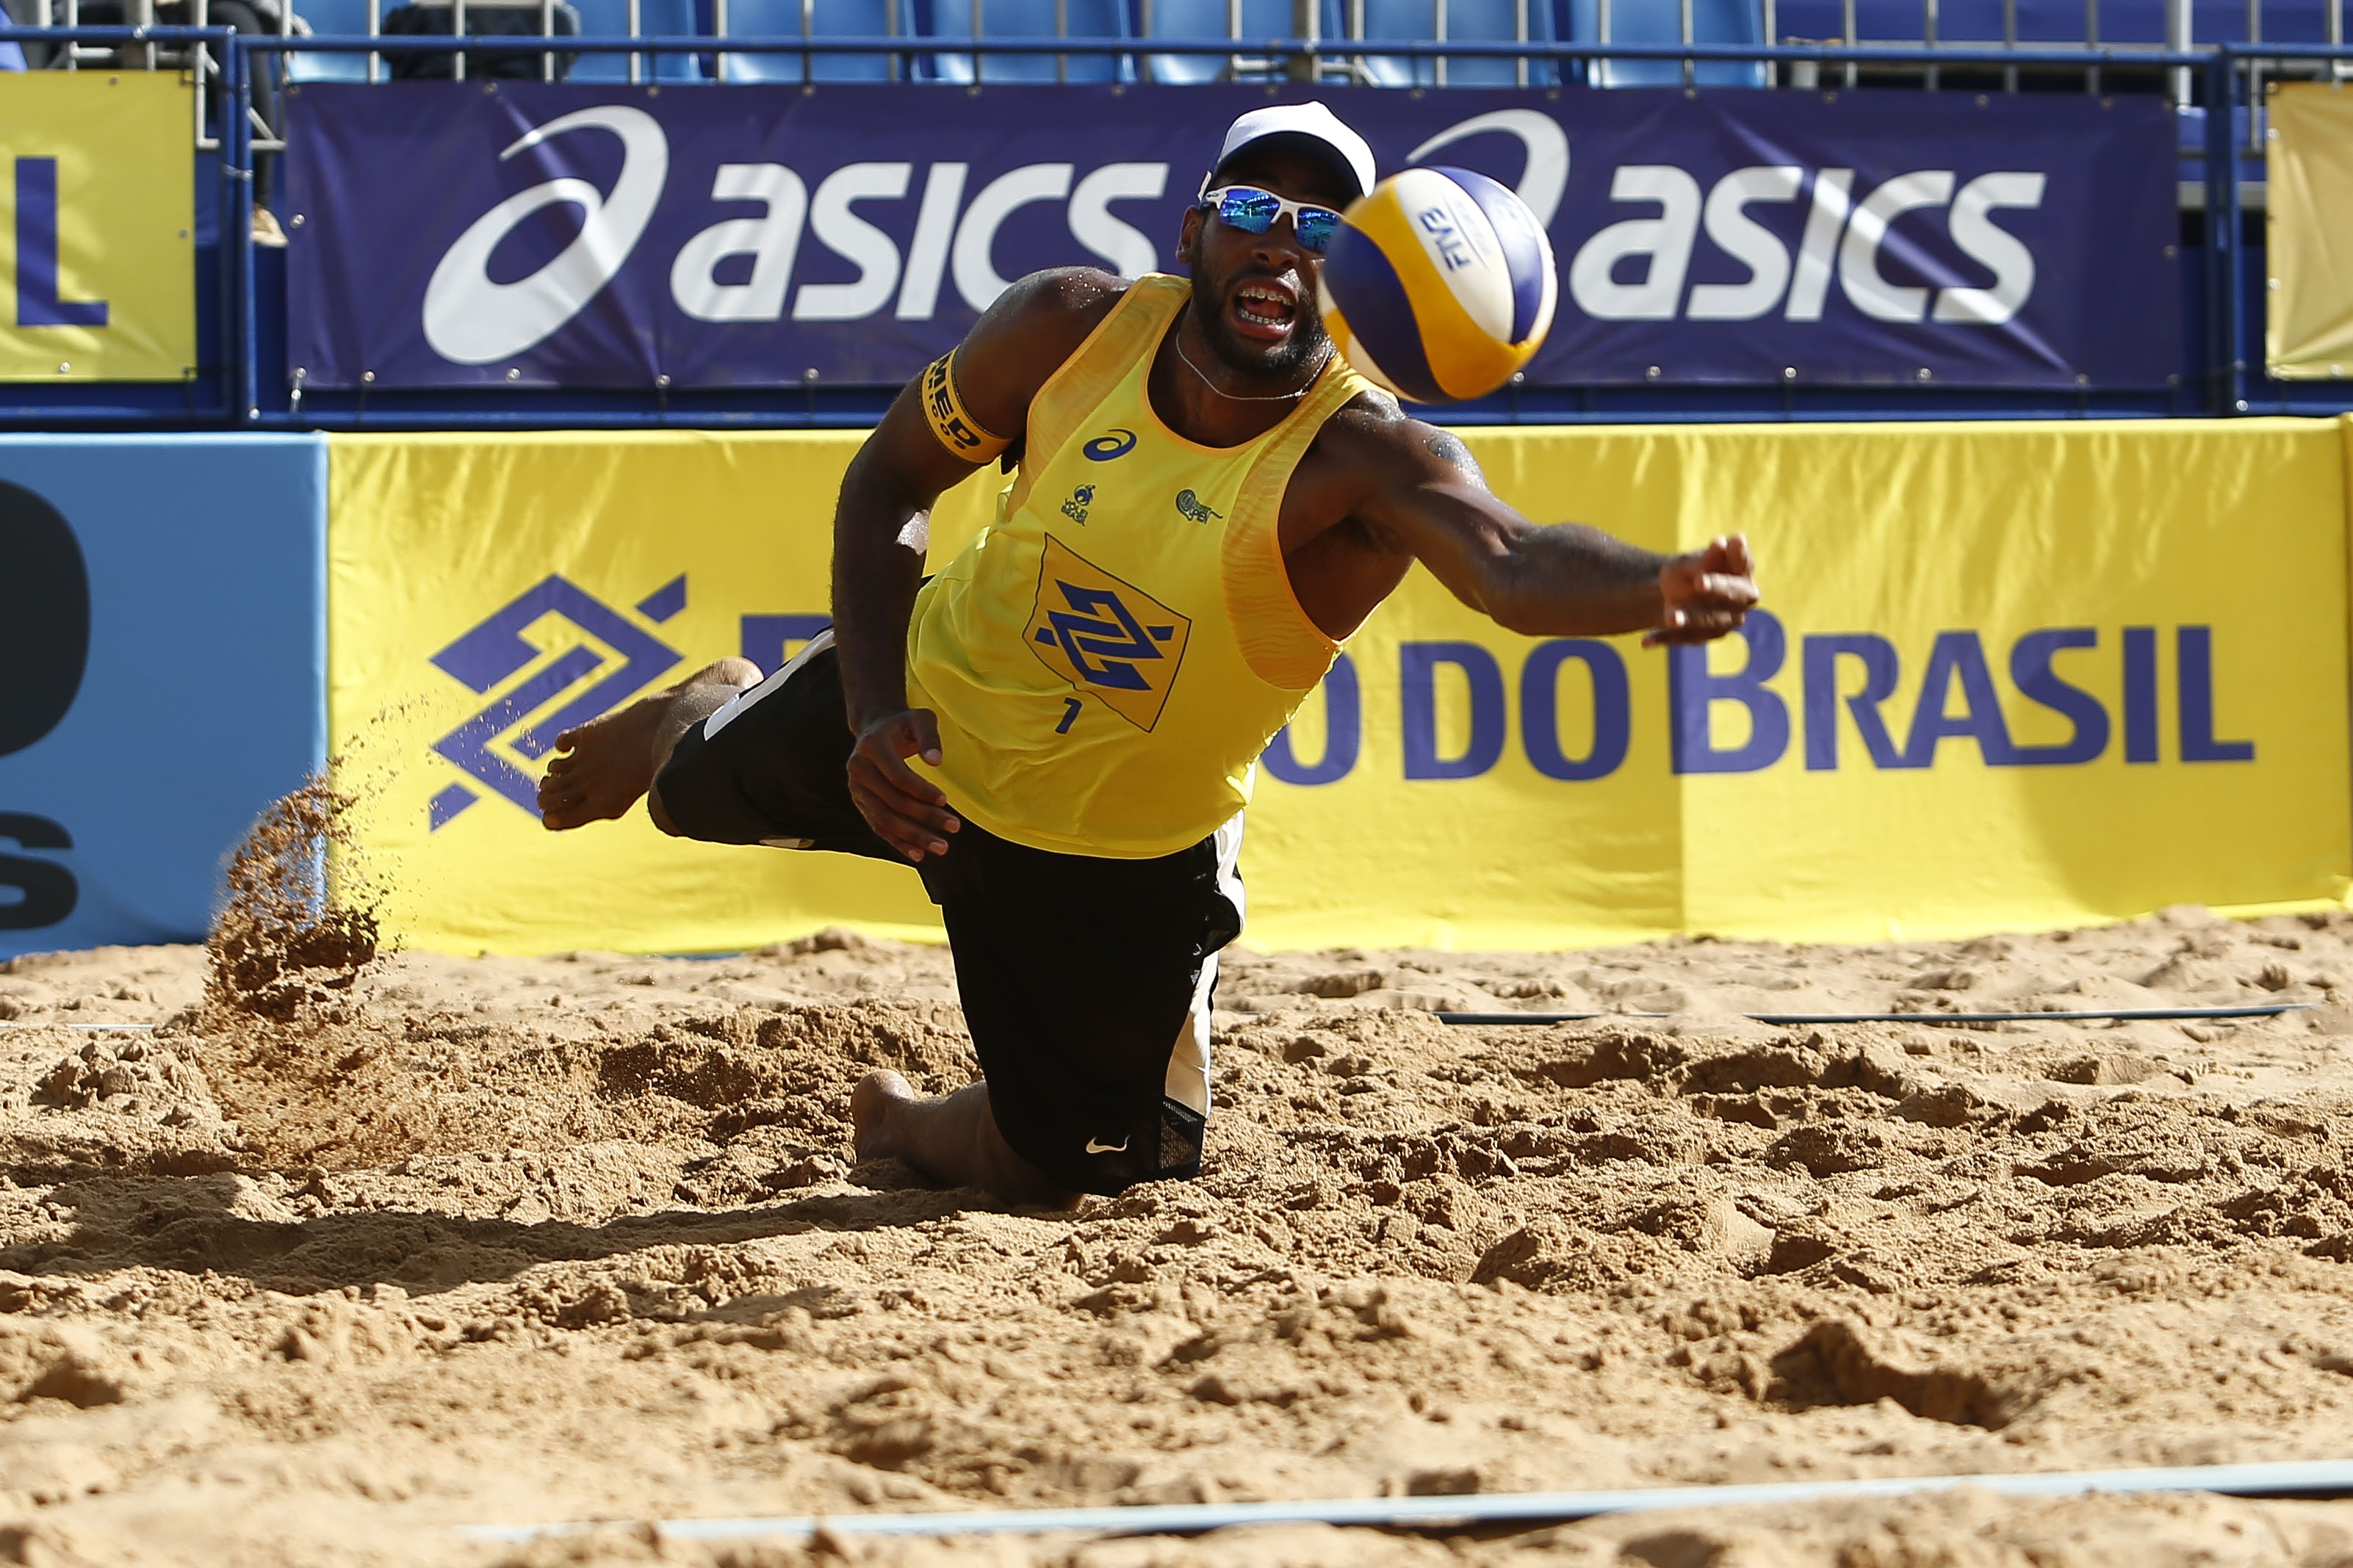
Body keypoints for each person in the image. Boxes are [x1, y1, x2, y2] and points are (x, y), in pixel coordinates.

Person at [537, 102, 1760, 1210]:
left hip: (1114, 842)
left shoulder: (1367, 462)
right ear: (1194, 234)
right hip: (932, 717)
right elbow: (889, 482)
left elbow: (1514, 560)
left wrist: (1650, 584)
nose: (1279, 240)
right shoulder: (1069, 328)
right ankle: (691, 712)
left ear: (1353, 277)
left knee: (1075, 1171)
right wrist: (869, 711)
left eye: (1320, 225)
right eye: (1249, 210)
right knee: (689, 799)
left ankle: (908, 1122)